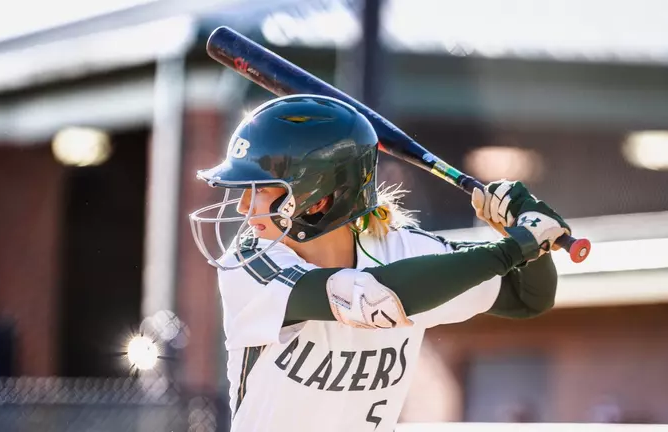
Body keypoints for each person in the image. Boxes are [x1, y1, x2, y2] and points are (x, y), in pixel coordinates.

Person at [189, 95, 571, 432]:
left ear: (317, 200)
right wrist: (515, 248)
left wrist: (524, 237)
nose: (242, 208)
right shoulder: (249, 263)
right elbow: (375, 300)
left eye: (259, 191)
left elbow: (528, 297)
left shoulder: (403, 251)